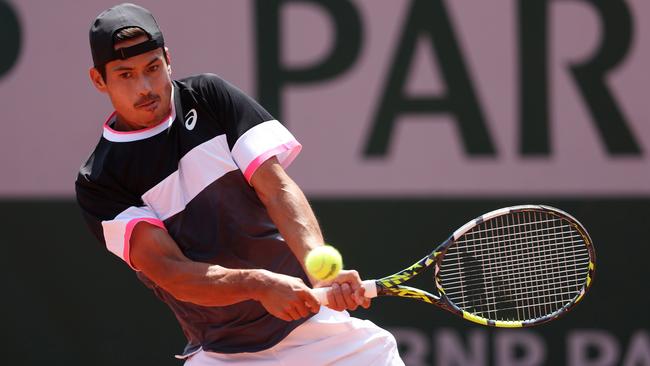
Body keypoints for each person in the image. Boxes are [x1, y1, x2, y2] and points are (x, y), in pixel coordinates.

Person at [75, 3, 404, 365]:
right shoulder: (100, 181)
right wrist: (259, 285)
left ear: (168, 59)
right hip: (223, 355)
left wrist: (318, 268)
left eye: (153, 68)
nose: (145, 87)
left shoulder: (211, 97)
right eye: (126, 75)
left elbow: (276, 189)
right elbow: (170, 271)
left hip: (317, 331)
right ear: (98, 80)